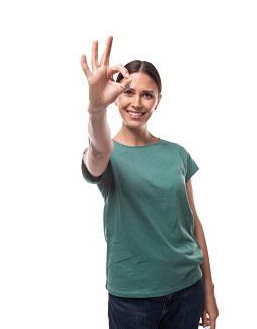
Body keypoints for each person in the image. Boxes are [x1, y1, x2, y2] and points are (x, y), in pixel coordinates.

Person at [80, 36, 219, 329]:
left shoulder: (177, 154)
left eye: (147, 95)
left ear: (157, 101)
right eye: (128, 92)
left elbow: (193, 223)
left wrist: (208, 291)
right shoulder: (107, 154)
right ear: (116, 95)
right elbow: (99, 150)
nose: (136, 102)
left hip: (187, 290)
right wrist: (95, 108)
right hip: (133, 299)